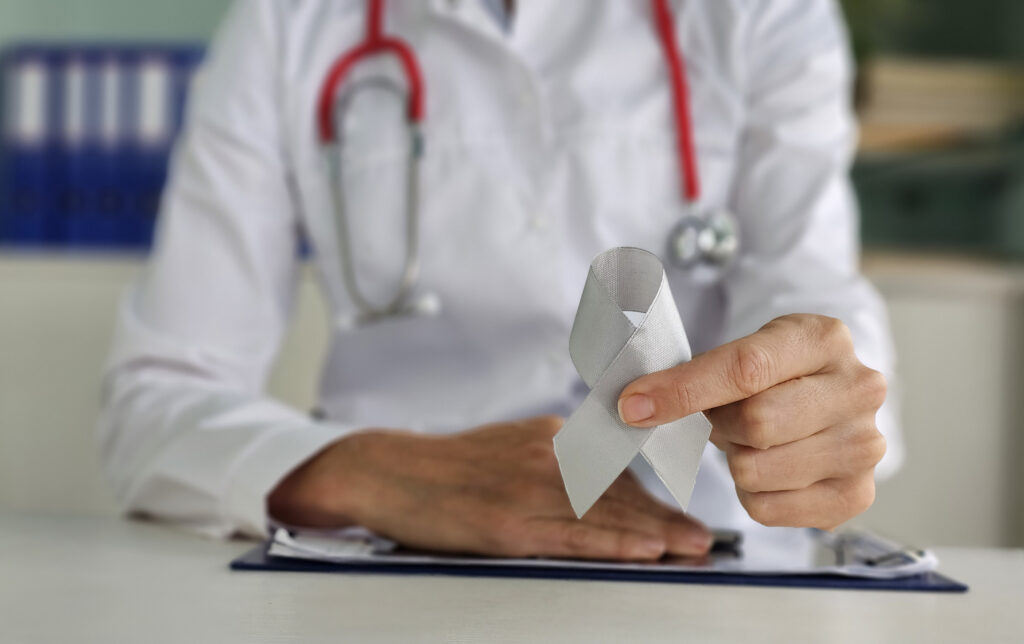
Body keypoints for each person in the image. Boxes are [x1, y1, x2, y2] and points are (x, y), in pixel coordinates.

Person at [98, 0, 901, 561]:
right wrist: (367, 471)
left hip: (700, 548)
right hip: (391, 556)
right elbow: (157, 401)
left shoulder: (764, 13)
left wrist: (816, 410)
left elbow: (816, 316)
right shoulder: (291, 20)